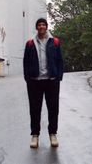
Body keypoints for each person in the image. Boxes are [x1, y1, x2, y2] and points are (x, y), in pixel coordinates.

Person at [23, 18, 64, 149]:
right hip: (35, 82)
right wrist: (28, 78)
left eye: (43, 25)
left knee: (53, 109)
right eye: (39, 25)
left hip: (51, 81)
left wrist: (58, 76)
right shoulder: (30, 43)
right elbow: (26, 62)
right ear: (37, 28)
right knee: (35, 109)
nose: (41, 27)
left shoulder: (55, 42)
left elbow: (60, 60)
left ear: (46, 27)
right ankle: (35, 135)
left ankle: (53, 134)